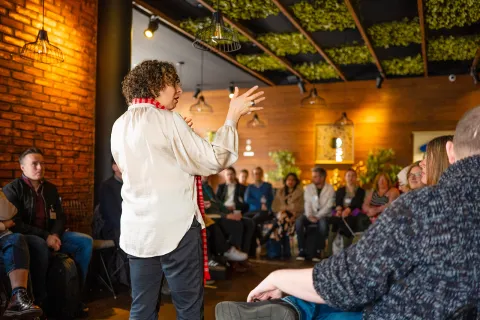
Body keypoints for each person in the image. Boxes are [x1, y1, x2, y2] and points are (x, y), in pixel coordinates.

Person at [216, 105, 480, 320]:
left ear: (450, 152)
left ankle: (291, 307)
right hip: (390, 282)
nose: (420, 167)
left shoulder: (425, 206)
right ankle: (290, 307)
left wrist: (278, 276)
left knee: (337, 302)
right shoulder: (418, 203)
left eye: (425, 163)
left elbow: (353, 281)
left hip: (390, 304)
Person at [111, 60, 265, 320]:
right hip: (176, 229)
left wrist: (180, 137)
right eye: (174, 83)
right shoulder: (169, 121)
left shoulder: (119, 125)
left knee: (141, 308)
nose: (179, 90)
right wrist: (232, 116)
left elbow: (145, 168)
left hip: (137, 231)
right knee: (189, 308)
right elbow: (215, 159)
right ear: (156, 84)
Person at [3, 148, 93, 316]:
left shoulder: (50, 189)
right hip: (29, 237)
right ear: (22, 167)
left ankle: (74, 297)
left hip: (52, 235)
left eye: (42, 163)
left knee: (85, 242)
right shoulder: (12, 189)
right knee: (39, 245)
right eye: (34, 164)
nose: (40, 167)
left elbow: (60, 218)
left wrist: (55, 235)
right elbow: (16, 224)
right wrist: (46, 237)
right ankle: (40, 301)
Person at [0, 190, 42, 319]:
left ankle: (19, 298)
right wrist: (3, 224)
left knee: (17, 240)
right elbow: (7, 219)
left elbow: (10, 212)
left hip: (4, 238)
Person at [296, 167, 334, 261]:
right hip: (309, 214)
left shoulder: (330, 189)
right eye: (313, 176)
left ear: (322, 177)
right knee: (299, 222)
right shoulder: (308, 188)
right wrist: (309, 215)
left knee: (323, 224)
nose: (313, 178)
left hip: (324, 215)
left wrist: (317, 216)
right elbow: (307, 203)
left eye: (316, 176)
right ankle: (302, 250)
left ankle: (318, 251)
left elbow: (329, 206)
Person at [215, 167, 255, 255]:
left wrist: (234, 206)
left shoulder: (242, 188)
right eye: (228, 174)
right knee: (238, 224)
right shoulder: (221, 187)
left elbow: (246, 204)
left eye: (231, 174)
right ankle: (234, 252)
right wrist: (225, 208)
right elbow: (216, 203)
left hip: (236, 211)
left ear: (235, 175)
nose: (230, 176)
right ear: (225, 176)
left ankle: (244, 253)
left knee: (250, 223)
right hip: (224, 212)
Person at [327, 169, 366, 255]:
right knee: (334, 220)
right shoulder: (340, 190)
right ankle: (329, 253)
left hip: (355, 213)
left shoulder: (360, 191)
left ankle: (346, 251)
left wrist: (349, 210)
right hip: (341, 213)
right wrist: (338, 210)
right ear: (345, 178)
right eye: (348, 175)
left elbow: (358, 205)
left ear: (356, 178)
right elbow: (337, 203)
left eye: (353, 176)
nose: (351, 178)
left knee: (346, 221)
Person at [244, 167, 274, 257]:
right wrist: (260, 204)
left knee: (252, 222)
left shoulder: (267, 186)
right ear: (253, 175)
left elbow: (271, 198)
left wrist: (266, 206)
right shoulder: (250, 187)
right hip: (252, 211)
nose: (257, 175)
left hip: (264, 211)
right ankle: (261, 241)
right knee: (245, 219)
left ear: (261, 174)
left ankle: (253, 248)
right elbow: (247, 199)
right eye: (255, 173)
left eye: (259, 173)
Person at [98, 157, 123, 245]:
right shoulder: (107, 186)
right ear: (114, 167)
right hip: (113, 229)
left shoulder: (130, 186)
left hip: (127, 226)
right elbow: (112, 216)